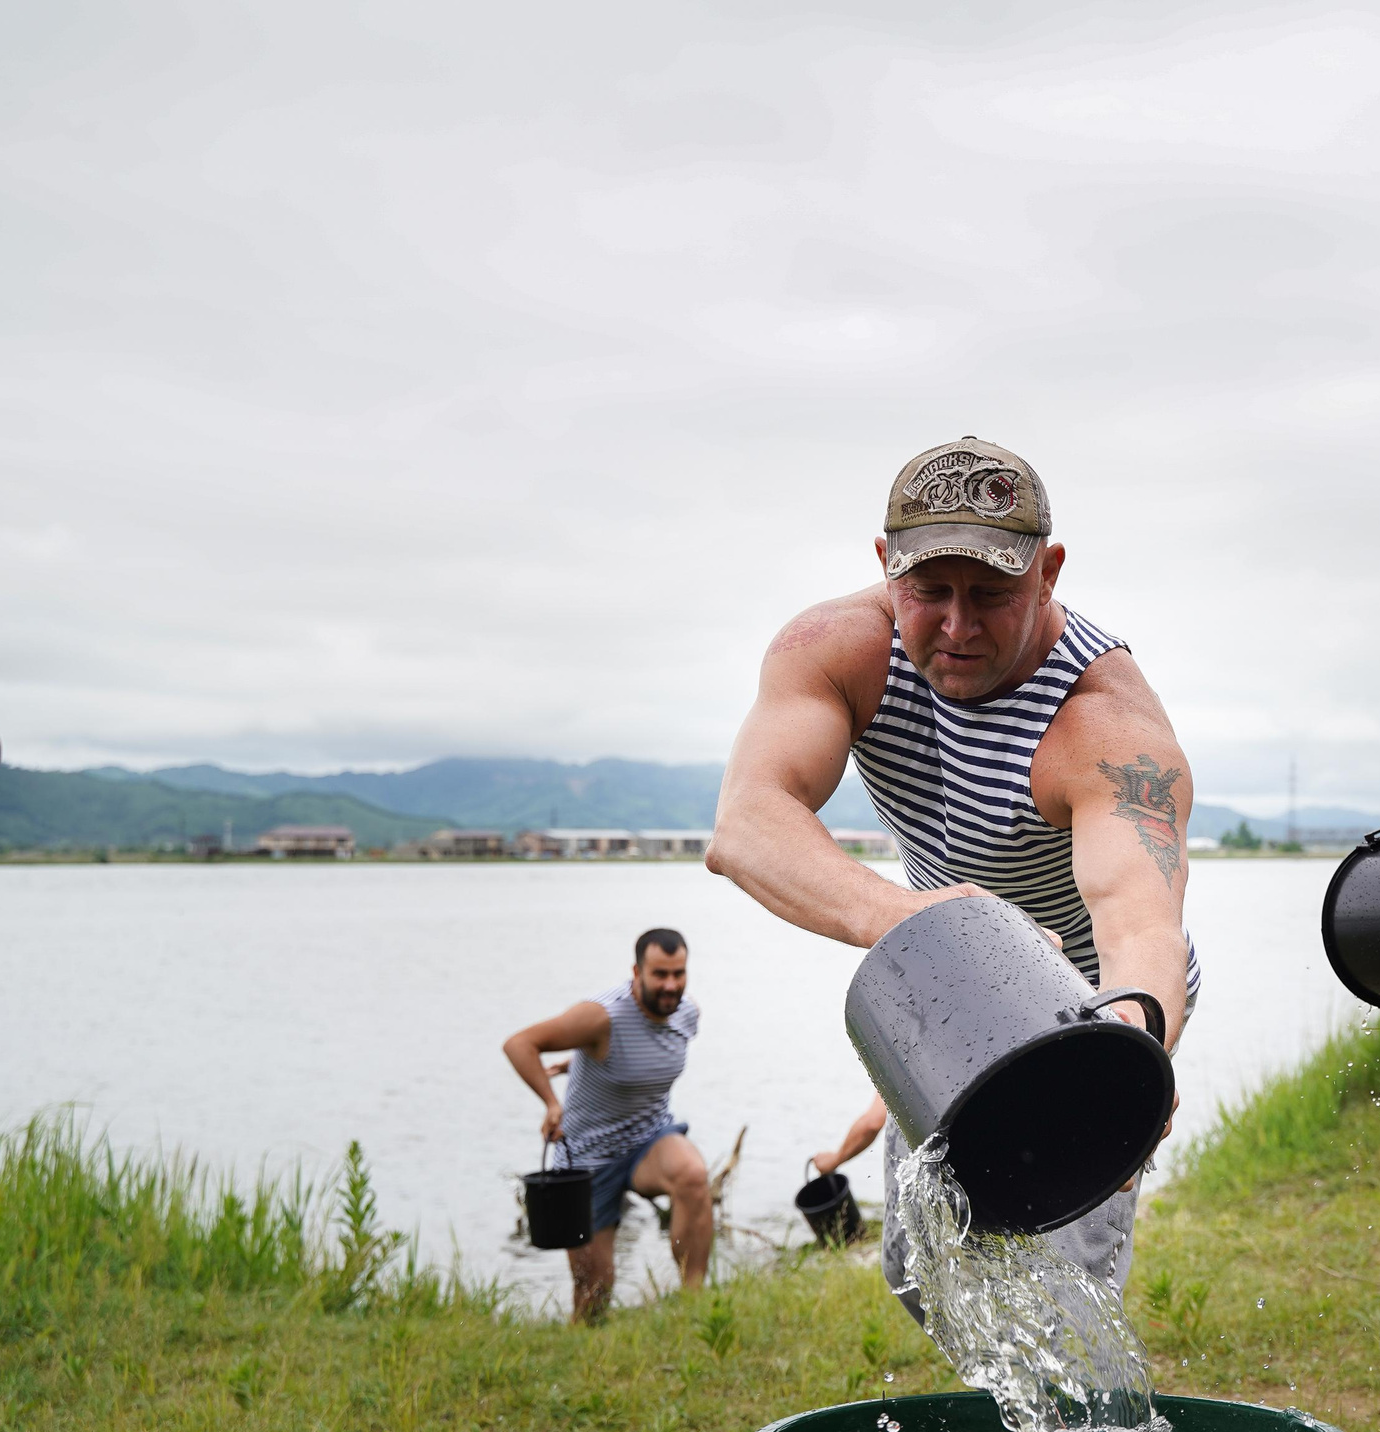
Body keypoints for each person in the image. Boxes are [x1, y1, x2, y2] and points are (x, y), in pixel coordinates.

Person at [709, 436, 1197, 1317]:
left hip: (1089, 1002)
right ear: (883, 565)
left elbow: (1142, 919)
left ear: (1048, 572)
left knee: (1056, 1291)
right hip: (941, 975)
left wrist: (1138, 1036)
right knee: (922, 1267)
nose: (958, 627)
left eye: (993, 594)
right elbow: (747, 823)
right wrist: (919, 920)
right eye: (928, 592)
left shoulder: (1102, 724)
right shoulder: (838, 649)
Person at [502, 928, 712, 1318]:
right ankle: (584, 1350)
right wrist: (550, 1102)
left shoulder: (686, 1013)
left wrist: (577, 1062)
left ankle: (694, 1306)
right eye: (660, 975)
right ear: (637, 972)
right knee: (594, 1291)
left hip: (648, 1139)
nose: (670, 985)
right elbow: (519, 1044)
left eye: (678, 974)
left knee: (692, 1174)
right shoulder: (601, 1017)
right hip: (587, 1159)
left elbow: (640, 1057)